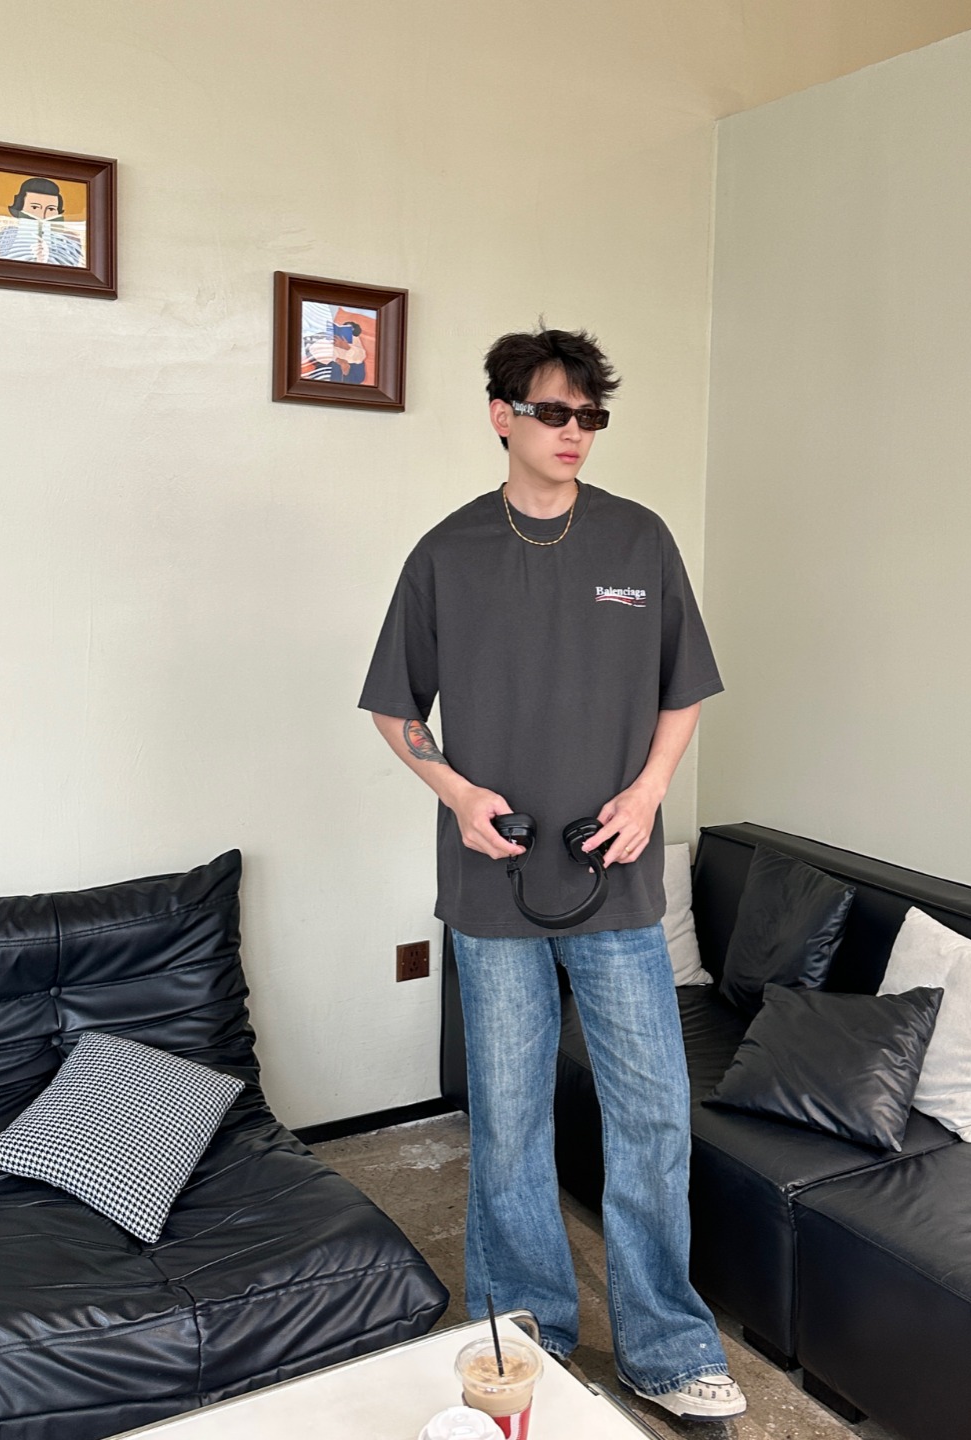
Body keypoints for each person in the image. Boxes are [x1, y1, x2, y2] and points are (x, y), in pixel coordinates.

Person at [358, 325, 745, 1422]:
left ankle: (668, 1349)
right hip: (495, 888)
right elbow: (395, 708)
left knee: (653, 1115)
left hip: (615, 880)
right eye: (555, 412)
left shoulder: (638, 539)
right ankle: (530, 1339)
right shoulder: (447, 553)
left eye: (591, 416)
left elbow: (684, 690)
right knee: (512, 1124)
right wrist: (457, 794)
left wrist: (650, 792)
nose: (576, 432)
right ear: (503, 415)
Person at [0, 178, 85, 267]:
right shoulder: (6, 235)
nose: (43, 216)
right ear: (20, 207)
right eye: (34, 207)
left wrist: (46, 259)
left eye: (51, 209)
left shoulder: (71, 241)